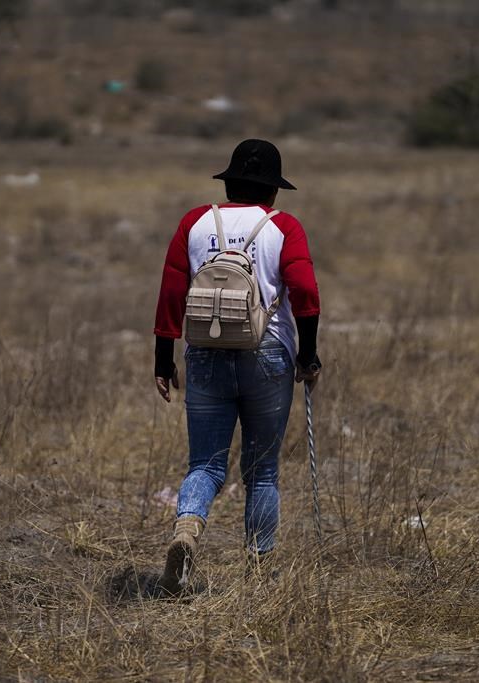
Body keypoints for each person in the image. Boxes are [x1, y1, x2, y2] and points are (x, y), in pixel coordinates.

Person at [152, 138, 322, 593]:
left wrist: (163, 360)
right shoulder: (283, 226)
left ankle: (187, 528)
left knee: (205, 464)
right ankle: (260, 574)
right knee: (261, 469)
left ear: (229, 184)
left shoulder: (195, 221)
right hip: (267, 354)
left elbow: (171, 293)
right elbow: (304, 295)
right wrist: (308, 356)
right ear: (273, 191)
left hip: (204, 352)